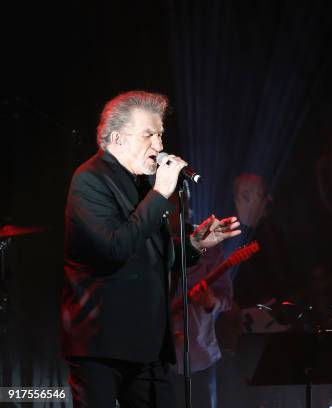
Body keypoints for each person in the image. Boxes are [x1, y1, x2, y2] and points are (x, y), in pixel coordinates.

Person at [61, 90, 240, 407]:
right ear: (118, 139)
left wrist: (195, 244)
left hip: (148, 344)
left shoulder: (143, 184)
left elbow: (149, 255)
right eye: (149, 135)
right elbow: (114, 249)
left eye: (160, 135)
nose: (159, 146)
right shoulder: (90, 180)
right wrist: (159, 194)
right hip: (101, 344)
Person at [168, 185, 234, 408]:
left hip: (199, 356)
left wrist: (211, 302)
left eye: (173, 200)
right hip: (157, 360)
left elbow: (227, 297)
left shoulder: (208, 241)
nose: (167, 208)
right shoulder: (145, 242)